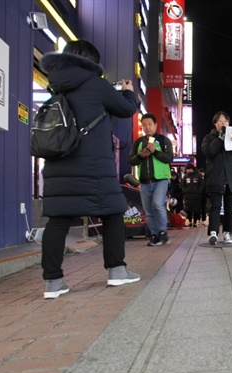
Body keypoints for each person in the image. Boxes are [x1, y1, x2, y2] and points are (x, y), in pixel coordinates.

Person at [39, 39, 140, 299]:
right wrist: (129, 91)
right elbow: (127, 109)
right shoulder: (96, 84)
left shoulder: (56, 85)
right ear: (91, 62)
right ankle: (117, 271)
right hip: (94, 166)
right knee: (114, 212)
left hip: (59, 164)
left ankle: (52, 283)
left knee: (58, 220)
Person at [201, 111, 232, 245]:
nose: (223, 124)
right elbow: (209, 151)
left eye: (226, 121)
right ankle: (213, 233)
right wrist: (220, 138)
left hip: (231, 178)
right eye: (220, 121)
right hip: (215, 177)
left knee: (229, 208)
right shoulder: (208, 138)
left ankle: (227, 232)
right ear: (215, 124)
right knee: (215, 206)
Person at [128, 113, 174, 246]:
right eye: (144, 125)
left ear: (155, 125)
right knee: (148, 210)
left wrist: (155, 152)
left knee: (158, 204)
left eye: (149, 124)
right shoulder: (138, 142)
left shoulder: (164, 140)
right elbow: (130, 160)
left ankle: (162, 232)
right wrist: (140, 156)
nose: (147, 127)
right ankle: (154, 235)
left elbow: (169, 158)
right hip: (144, 181)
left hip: (161, 179)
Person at [181, 163, 205, 227]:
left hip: (197, 196)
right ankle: (190, 221)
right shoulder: (185, 176)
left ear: (192, 169)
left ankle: (195, 222)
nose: (187, 171)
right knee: (188, 209)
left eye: (188, 169)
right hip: (188, 196)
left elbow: (202, 184)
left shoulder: (198, 176)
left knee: (196, 209)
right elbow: (183, 184)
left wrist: (199, 191)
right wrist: (185, 191)